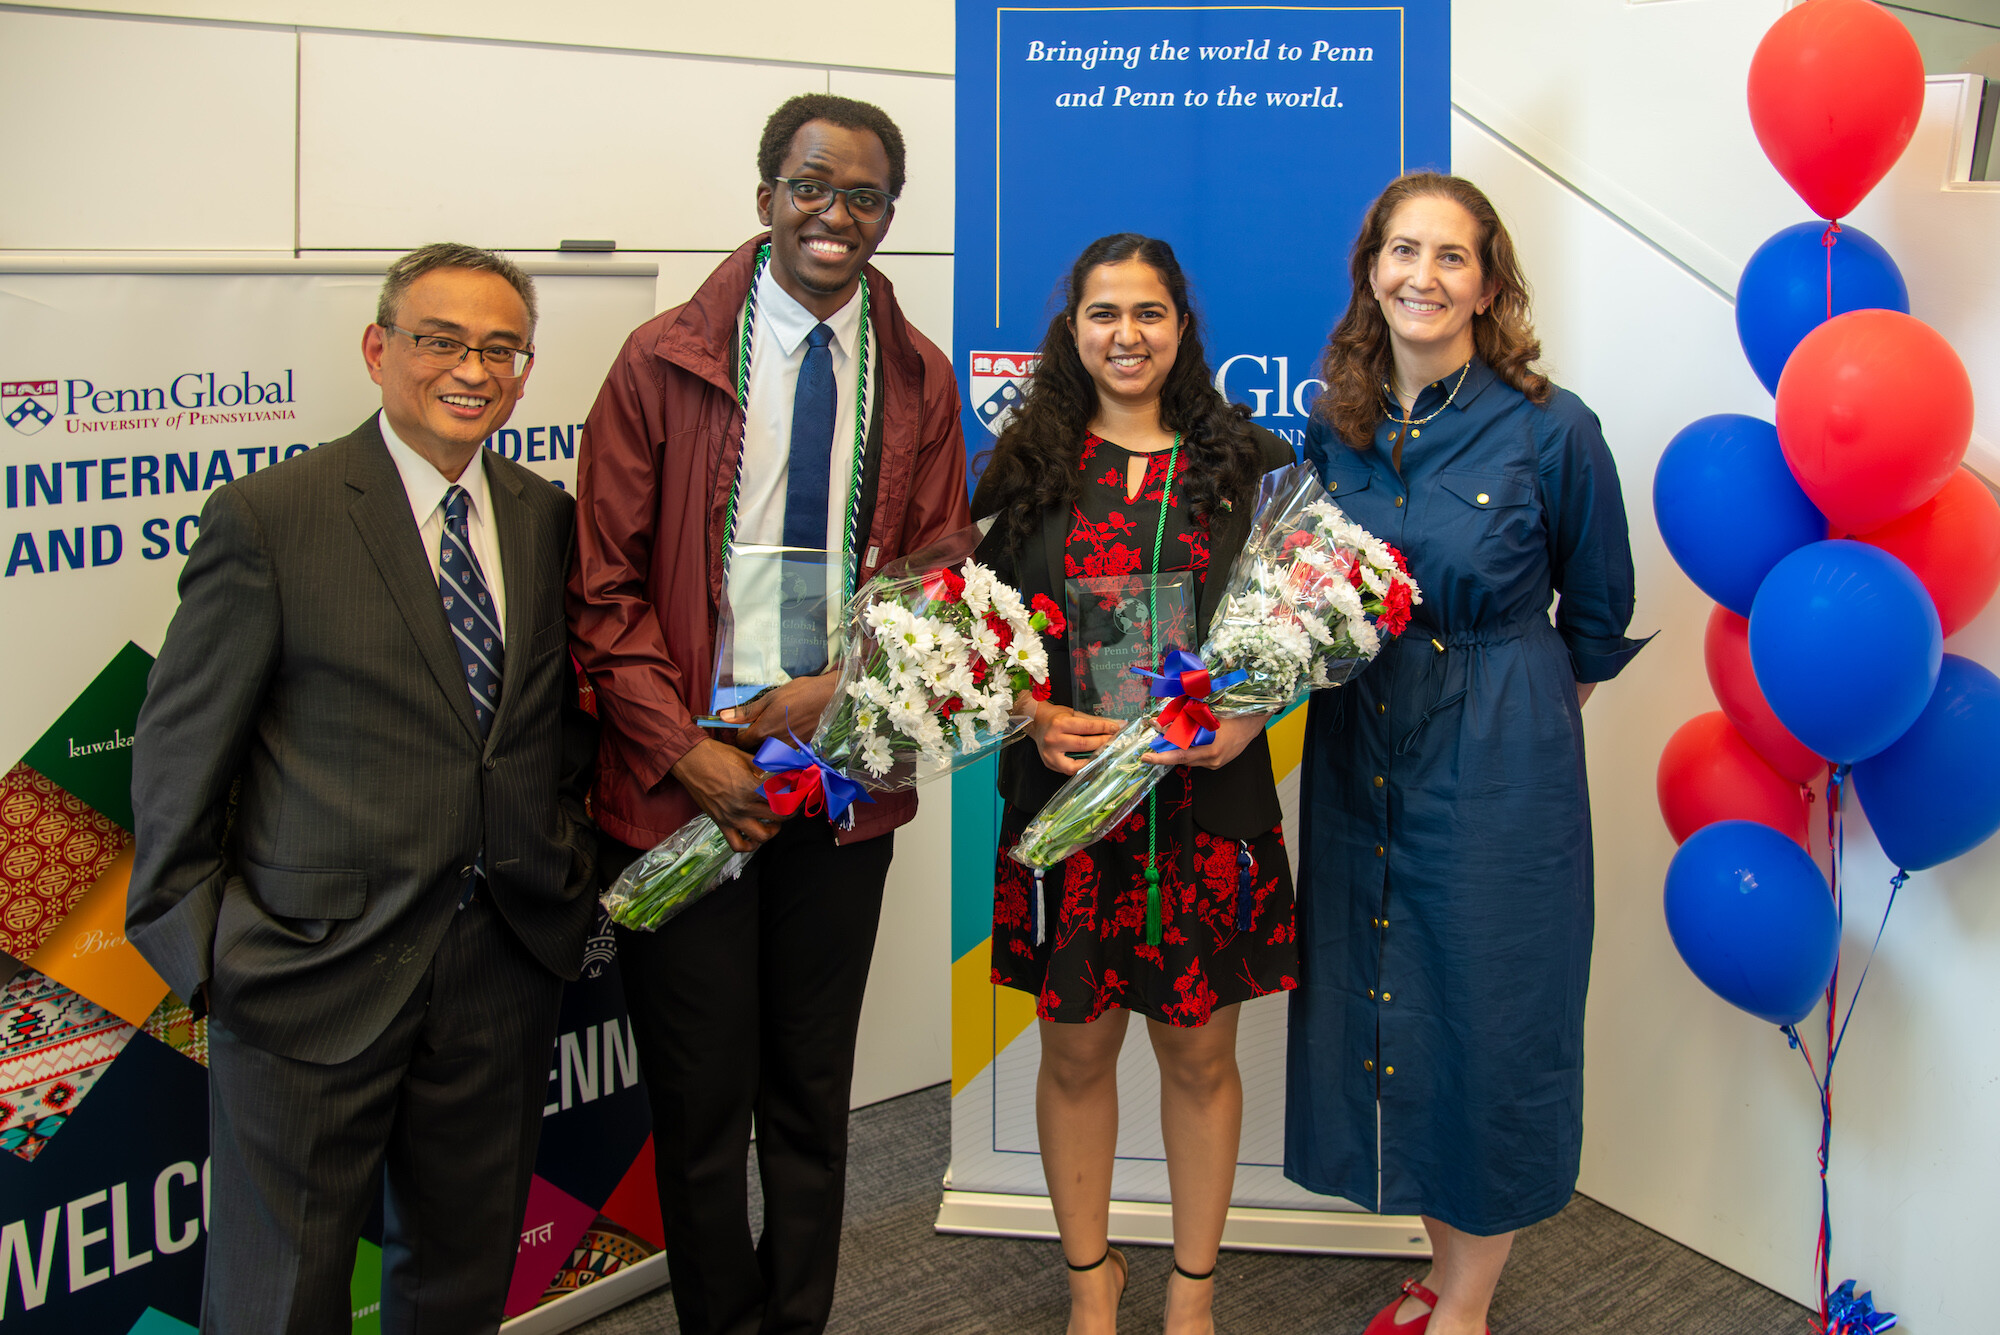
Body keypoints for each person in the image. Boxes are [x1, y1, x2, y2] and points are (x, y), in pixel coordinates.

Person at [126, 242, 600, 1333]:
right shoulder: (272, 517)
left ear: (525, 370)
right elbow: (180, 754)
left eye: (500, 347)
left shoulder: (542, 517)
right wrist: (210, 959)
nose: (470, 369)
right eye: (440, 340)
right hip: (306, 976)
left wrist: (558, 866)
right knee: (279, 1295)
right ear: (379, 349)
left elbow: (558, 730)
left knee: (460, 1278)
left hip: (498, 967)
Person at [567, 93, 969, 1335]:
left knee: (809, 1091)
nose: (833, 216)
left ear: (888, 218)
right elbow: (602, 589)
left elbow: (941, 579)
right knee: (698, 1104)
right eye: (810, 187)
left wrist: (845, 688)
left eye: (861, 197)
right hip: (681, 780)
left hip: (836, 787)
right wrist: (686, 752)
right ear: (764, 198)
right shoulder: (661, 361)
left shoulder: (916, 378)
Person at [1284, 172, 1647, 1335]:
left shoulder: (1553, 426)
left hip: (1498, 751)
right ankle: (1444, 1266)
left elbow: (1593, 621)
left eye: (1450, 257)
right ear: (1368, 271)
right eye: (1401, 251)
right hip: (1358, 741)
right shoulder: (1330, 425)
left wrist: (1509, 713)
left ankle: (1466, 1303)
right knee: (1391, 999)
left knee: (1489, 1010)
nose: (1421, 277)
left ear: (1489, 285)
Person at [972, 233, 1298, 1335]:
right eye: (1104, 314)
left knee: (1200, 1052)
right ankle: (1089, 1286)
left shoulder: (1250, 467)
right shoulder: (1023, 470)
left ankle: (1192, 1296)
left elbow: (1292, 635)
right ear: (1073, 331)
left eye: (1148, 313)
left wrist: (1246, 712)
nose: (1126, 335)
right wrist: (1025, 710)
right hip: (1068, 809)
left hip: (1204, 809)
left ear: (1180, 327)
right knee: (1073, 1048)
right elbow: (978, 638)